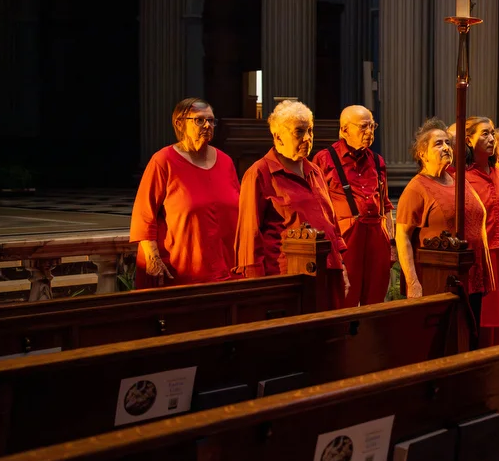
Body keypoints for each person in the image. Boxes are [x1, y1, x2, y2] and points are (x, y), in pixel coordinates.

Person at [235, 100, 349, 306]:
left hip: (328, 271)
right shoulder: (259, 173)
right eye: (299, 132)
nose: (307, 138)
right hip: (289, 277)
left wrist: (341, 263)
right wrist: (255, 287)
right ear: (278, 136)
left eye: (310, 131)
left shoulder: (314, 170)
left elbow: (330, 222)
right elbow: (249, 235)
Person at [130, 98, 240, 287]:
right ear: (179, 123)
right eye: (199, 120)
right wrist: (153, 259)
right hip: (181, 273)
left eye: (211, 120)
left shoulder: (226, 162)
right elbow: (144, 216)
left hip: (226, 271)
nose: (207, 125)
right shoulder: (163, 161)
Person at [395, 120, 490, 312]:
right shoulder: (416, 188)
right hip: (439, 279)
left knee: (470, 336)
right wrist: (413, 282)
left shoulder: (459, 180)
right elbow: (402, 236)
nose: (446, 147)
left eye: (448, 143)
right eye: (438, 143)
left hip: (471, 276)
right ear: (422, 153)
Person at [315, 106, 393, 307]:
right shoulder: (324, 159)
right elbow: (319, 208)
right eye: (363, 127)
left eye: (372, 126)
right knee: (345, 298)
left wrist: (390, 243)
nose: (370, 132)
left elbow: (385, 205)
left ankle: (371, 337)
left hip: (376, 233)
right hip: (346, 236)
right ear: (344, 130)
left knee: (376, 298)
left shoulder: (377, 160)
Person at [463, 117, 499, 346]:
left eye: (492, 133)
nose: (491, 138)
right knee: (483, 321)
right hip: (479, 258)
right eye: (484, 133)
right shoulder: (462, 177)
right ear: (468, 140)